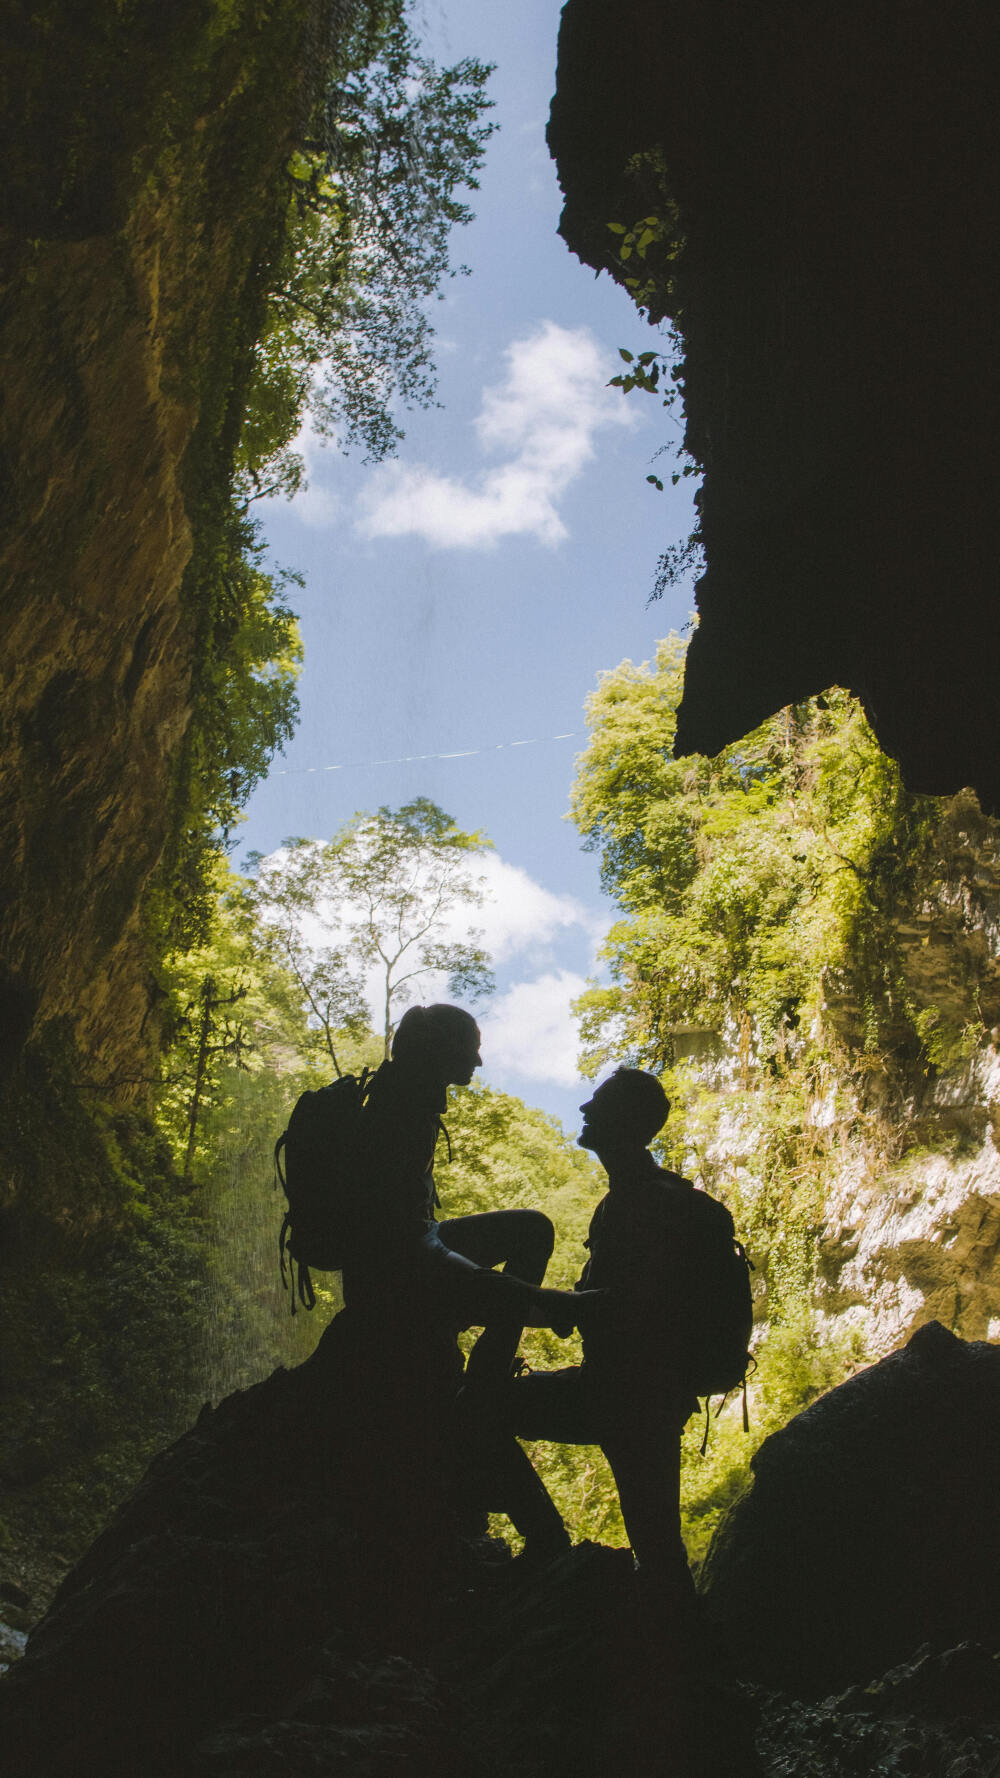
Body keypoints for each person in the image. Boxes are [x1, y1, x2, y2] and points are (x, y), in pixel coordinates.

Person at [339, 1002, 600, 1557]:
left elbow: (414, 1226)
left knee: (530, 1229)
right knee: (527, 1240)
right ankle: (536, 1326)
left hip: (408, 1249)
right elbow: (400, 1239)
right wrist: (513, 1293)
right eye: (470, 1047)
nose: (479, 1060)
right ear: (439, 1051)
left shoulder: (407, 1094)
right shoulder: (401, 1105)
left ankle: (488, 1370)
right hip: (391, 1273)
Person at [504, 1067, 699, 1593]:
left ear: (627, 1121)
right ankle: (680, 1644)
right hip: (644, 1395)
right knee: (658, 1547)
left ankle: (548, 1548)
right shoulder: (631, 1199)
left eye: (599, 1102)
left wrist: (511, 1303)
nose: (586, 1109)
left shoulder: (645, 1204)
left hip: (629, 1396)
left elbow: (633, 1307)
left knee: (483, 1408)